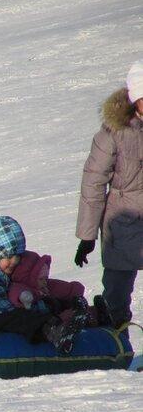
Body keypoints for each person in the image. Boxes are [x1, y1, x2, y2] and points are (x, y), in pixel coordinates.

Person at [0, 217, 89, 354]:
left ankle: (78, 312)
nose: (14, 261)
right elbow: (2, 308)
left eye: (17, 255)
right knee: (15, 318)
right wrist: (41, 308)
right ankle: (51, 331)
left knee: (36, 298)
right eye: (8, 256)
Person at [74, 59, 143, 327]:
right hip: (122, 223)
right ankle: (116, 349)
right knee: (117, 297)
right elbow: (93, 183)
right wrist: (87, 236)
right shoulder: (114, 133)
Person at [7, 249, 110, 326]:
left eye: (45, 278)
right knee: (64, 314)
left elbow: (59, 287)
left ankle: (97, 313)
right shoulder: (22, 287)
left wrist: (73, 289)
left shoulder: (45, 286)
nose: (45, 282)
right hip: (44, 317)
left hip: (53, 308)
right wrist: (24, 296)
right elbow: (15, 292)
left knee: (70, 304)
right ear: (30, 279)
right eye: (41, 279)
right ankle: (79, 318)